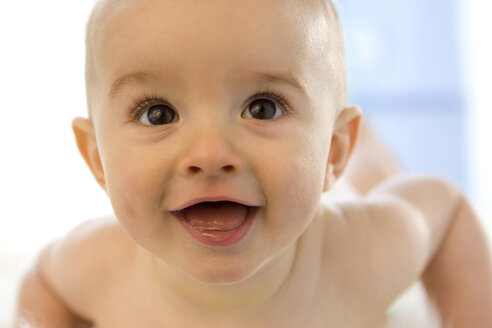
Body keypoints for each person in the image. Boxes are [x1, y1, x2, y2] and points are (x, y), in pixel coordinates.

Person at [15, 0, 492, 327]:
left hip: (332, 206)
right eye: (158, 113)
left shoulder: (364, 254)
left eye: (262, 107)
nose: (209, 155)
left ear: (332, 150)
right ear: (98, 158)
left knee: (378, 176)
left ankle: (365, 156)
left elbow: (444, 210)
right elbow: (42, 285)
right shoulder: (96, 266)